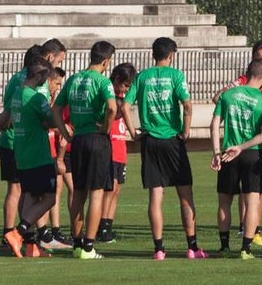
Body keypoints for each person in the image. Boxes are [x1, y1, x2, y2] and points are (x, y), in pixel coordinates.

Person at [121, 37, 205, 260]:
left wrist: (133, 133)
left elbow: (125, 105)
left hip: (150, 140)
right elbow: (187, 105)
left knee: (155, 195)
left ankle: (159, 249)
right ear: (171, 55)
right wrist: (186, 130)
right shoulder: (176, 75)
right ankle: (192, 247)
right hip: (172, 139)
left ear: (153, 54)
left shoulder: (142, 77)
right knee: (185, 194)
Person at [54, 39, 116, 260]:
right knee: (96, 193)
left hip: (77, 140)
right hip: (97, 140)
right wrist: (106, 127)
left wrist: (65, 131)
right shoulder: (102, 81)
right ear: (106, 61)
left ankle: (77, 243)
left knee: (78, 193)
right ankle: (89, 247)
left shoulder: (73, 79)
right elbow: (111, 107)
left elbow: (56, 108)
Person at [0, 56, 63, 258]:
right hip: (38, 155)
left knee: (28, 196)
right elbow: (51, 120)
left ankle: (31, 246)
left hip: (22, 154)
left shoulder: (17, 94)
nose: (46, 79)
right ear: (38, 75)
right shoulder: (36, 98)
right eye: (45, 75)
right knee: (50, 198)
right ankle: (18, 232)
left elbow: (9, 119)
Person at [211, 58, 262, 259]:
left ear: (246, 73)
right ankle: (246, 248)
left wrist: (216, 152)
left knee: (224, 202)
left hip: (228, 153)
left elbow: (214, 124)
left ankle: (224, 246)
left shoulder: (228, 95)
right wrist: (243, 147)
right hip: (251, 153)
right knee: (252, 202)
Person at [98, 62, 136, 244]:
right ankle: (101, 228)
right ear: (117, 79)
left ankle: (108, 226)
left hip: (121, 149)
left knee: (116, 191)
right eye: (126, 85)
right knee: (108, 190)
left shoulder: (123, 98)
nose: (127, 90)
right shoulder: (108, 94)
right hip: (109, 149)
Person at [40, 65, 72, 250]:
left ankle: (54, 231)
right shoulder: (42, 97)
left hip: (55, 151)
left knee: (59, 189)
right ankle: (43, 233)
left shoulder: (53, 100)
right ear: (49, 81)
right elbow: (47, 122)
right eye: (57, 84)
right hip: (47, 150)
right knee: (49, 192)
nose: (57, 88)